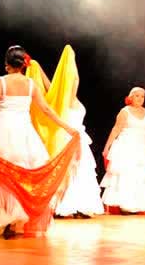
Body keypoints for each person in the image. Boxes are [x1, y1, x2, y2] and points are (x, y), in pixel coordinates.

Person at [0, 45, 79, 238]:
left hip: (1, 135)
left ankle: (9, 217)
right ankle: (15, 219)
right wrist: (67, 127)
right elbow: (46, 110)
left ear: (6, 64)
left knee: (1, 179)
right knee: (21, 179)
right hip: (24, 137)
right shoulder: (31, 84)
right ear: (24, 64)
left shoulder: (0, 81)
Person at [27, 46, 104, 219]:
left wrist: (70, 58)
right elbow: (53, 85)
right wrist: (38, 68)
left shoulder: (72, 98)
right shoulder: (62, 100)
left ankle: (79, 206)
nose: (73, 82)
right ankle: (60, 206)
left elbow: (73, 79)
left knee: (80, 172)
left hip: (79, 137)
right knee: (67, 172)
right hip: (66, 138)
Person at [100, 87, 145, 214]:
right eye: (137, 96)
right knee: (126, 176)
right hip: (126, 147)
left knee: (140, 176)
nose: (140, 98)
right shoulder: (125, 111)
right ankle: (125, 205)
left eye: (142, 96)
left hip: (141, 148)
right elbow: (115, 129)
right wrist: (107, 147)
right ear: (131, 97)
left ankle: (138, 205)